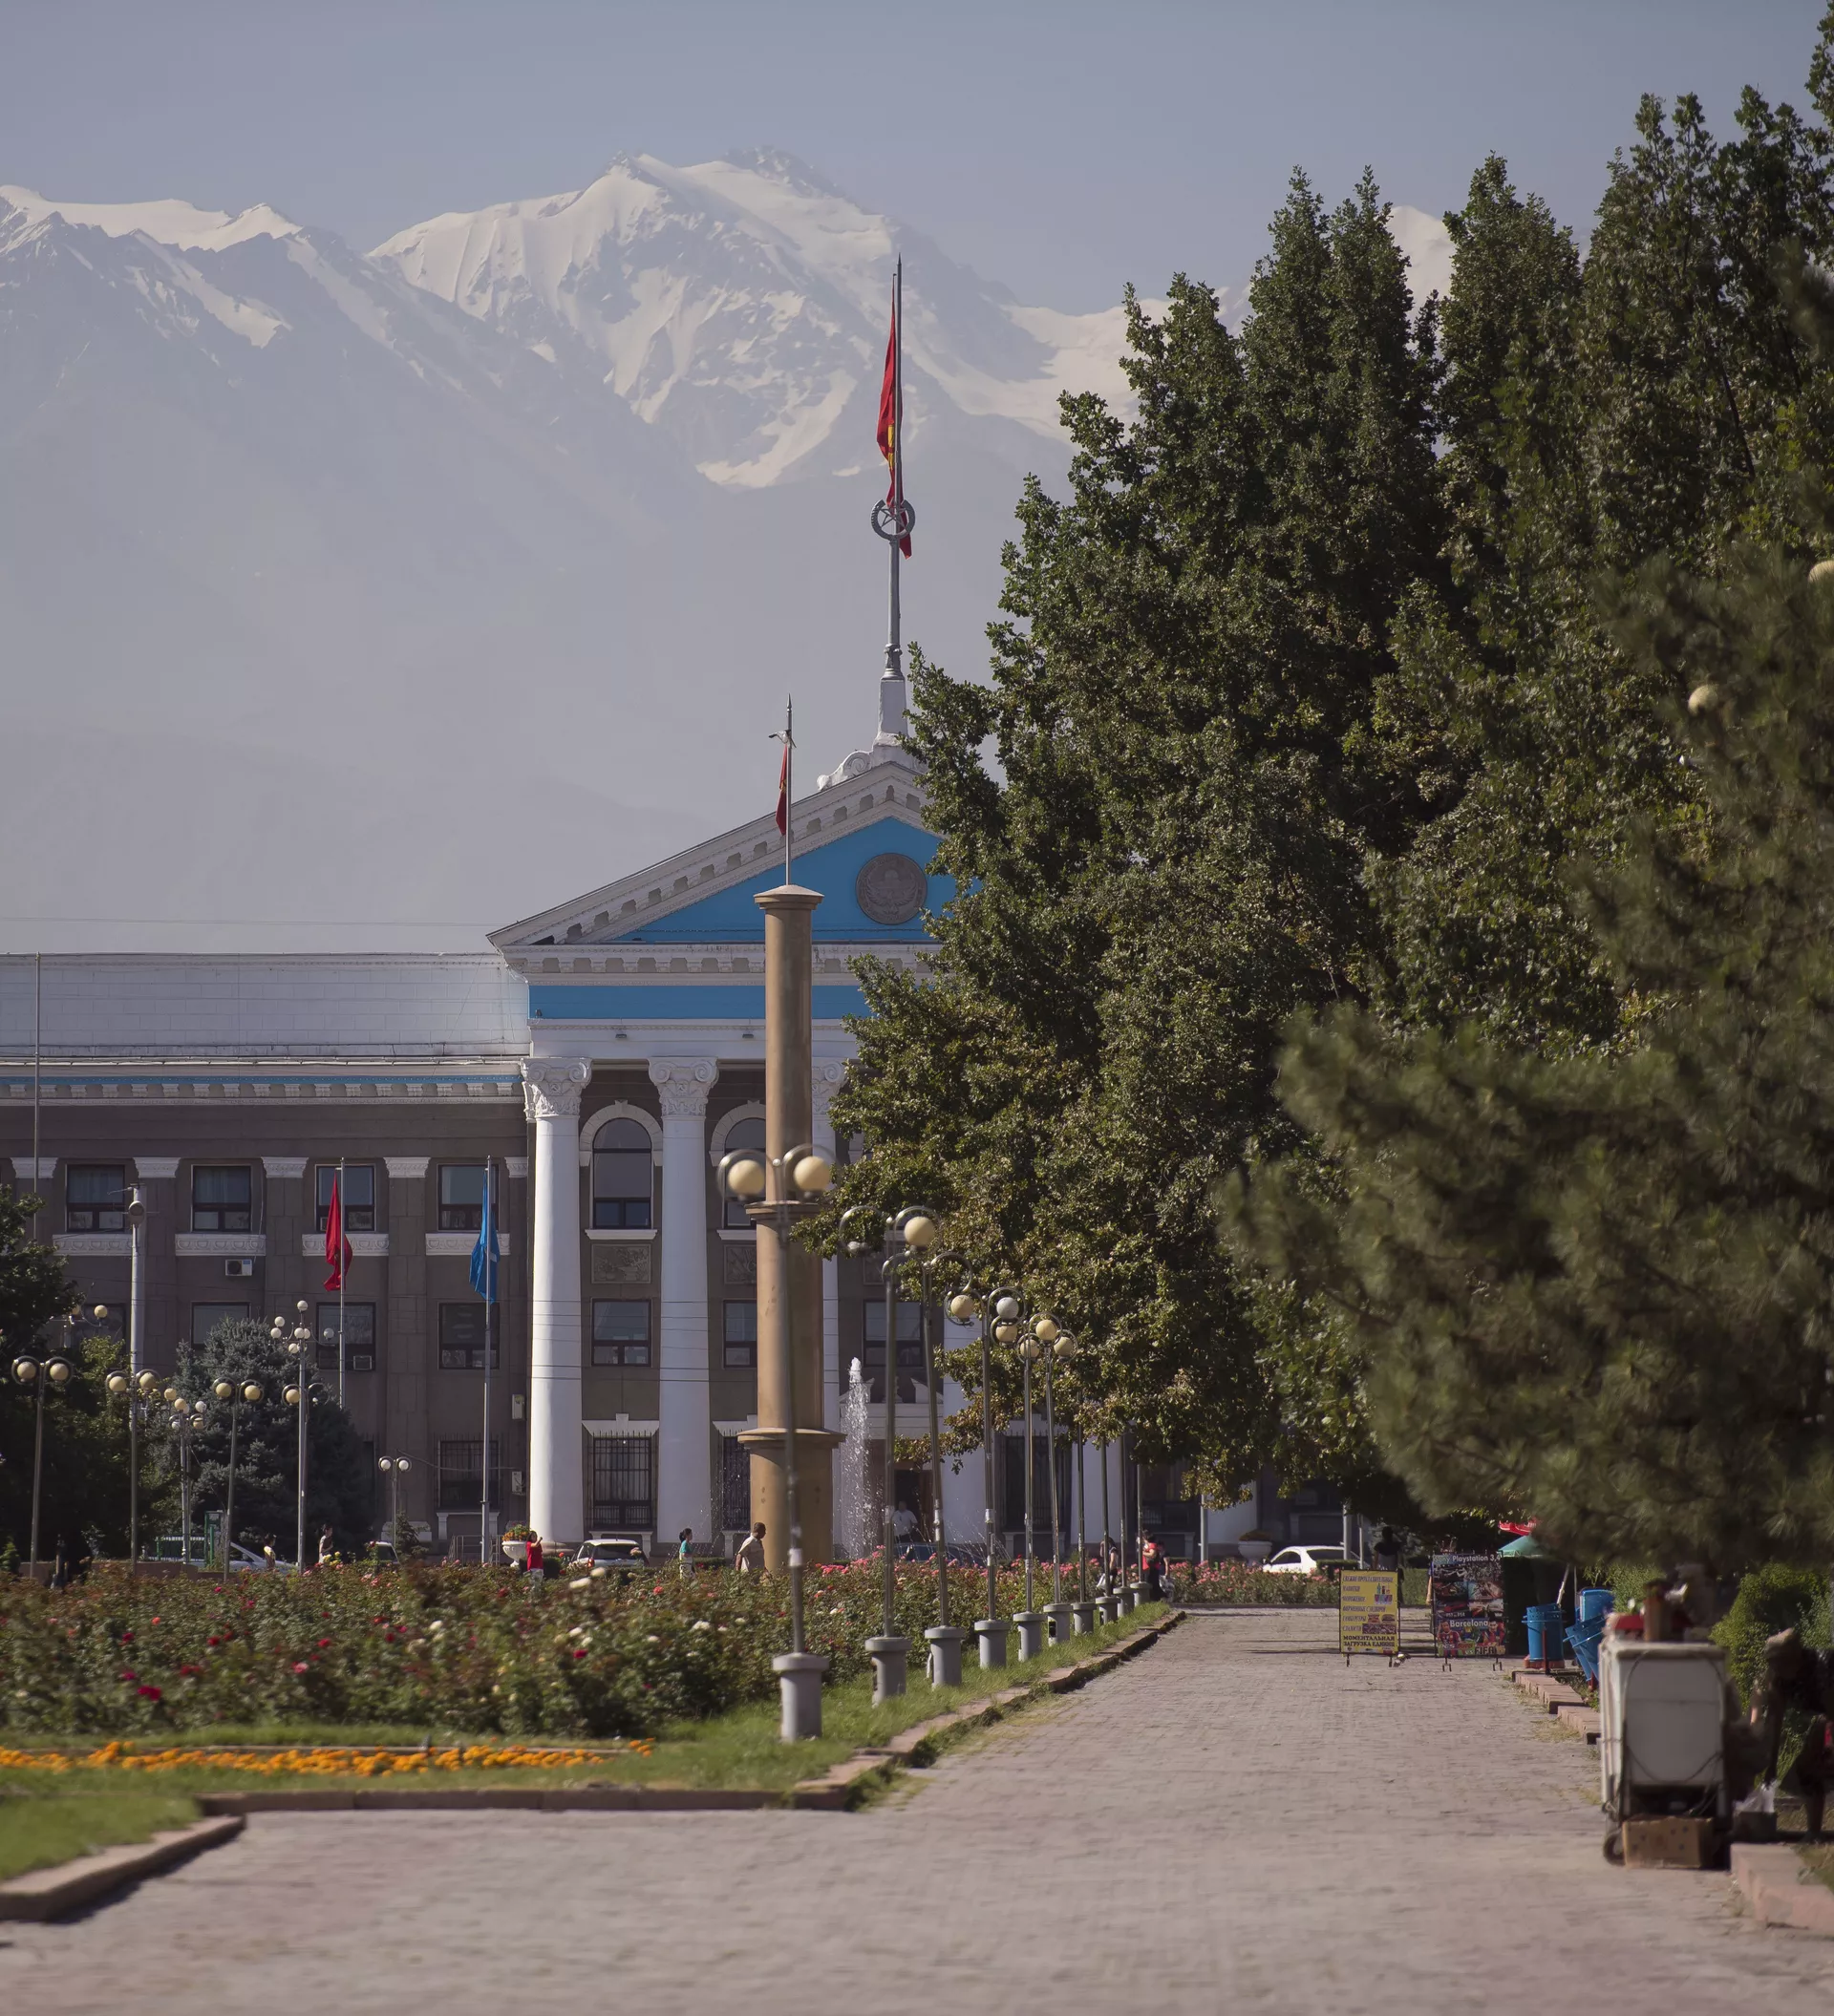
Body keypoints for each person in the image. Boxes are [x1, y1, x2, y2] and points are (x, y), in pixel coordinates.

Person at [1141, 1536, 1162, 1600]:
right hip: (1147, 1567)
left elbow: (1152, 1554)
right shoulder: (1146, 1545)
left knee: (1152, 1584)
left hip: (1151, 1568)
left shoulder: (1151, 1545)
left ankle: (1156, 1598)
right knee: (1149, 1583)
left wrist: (1143, 1553)